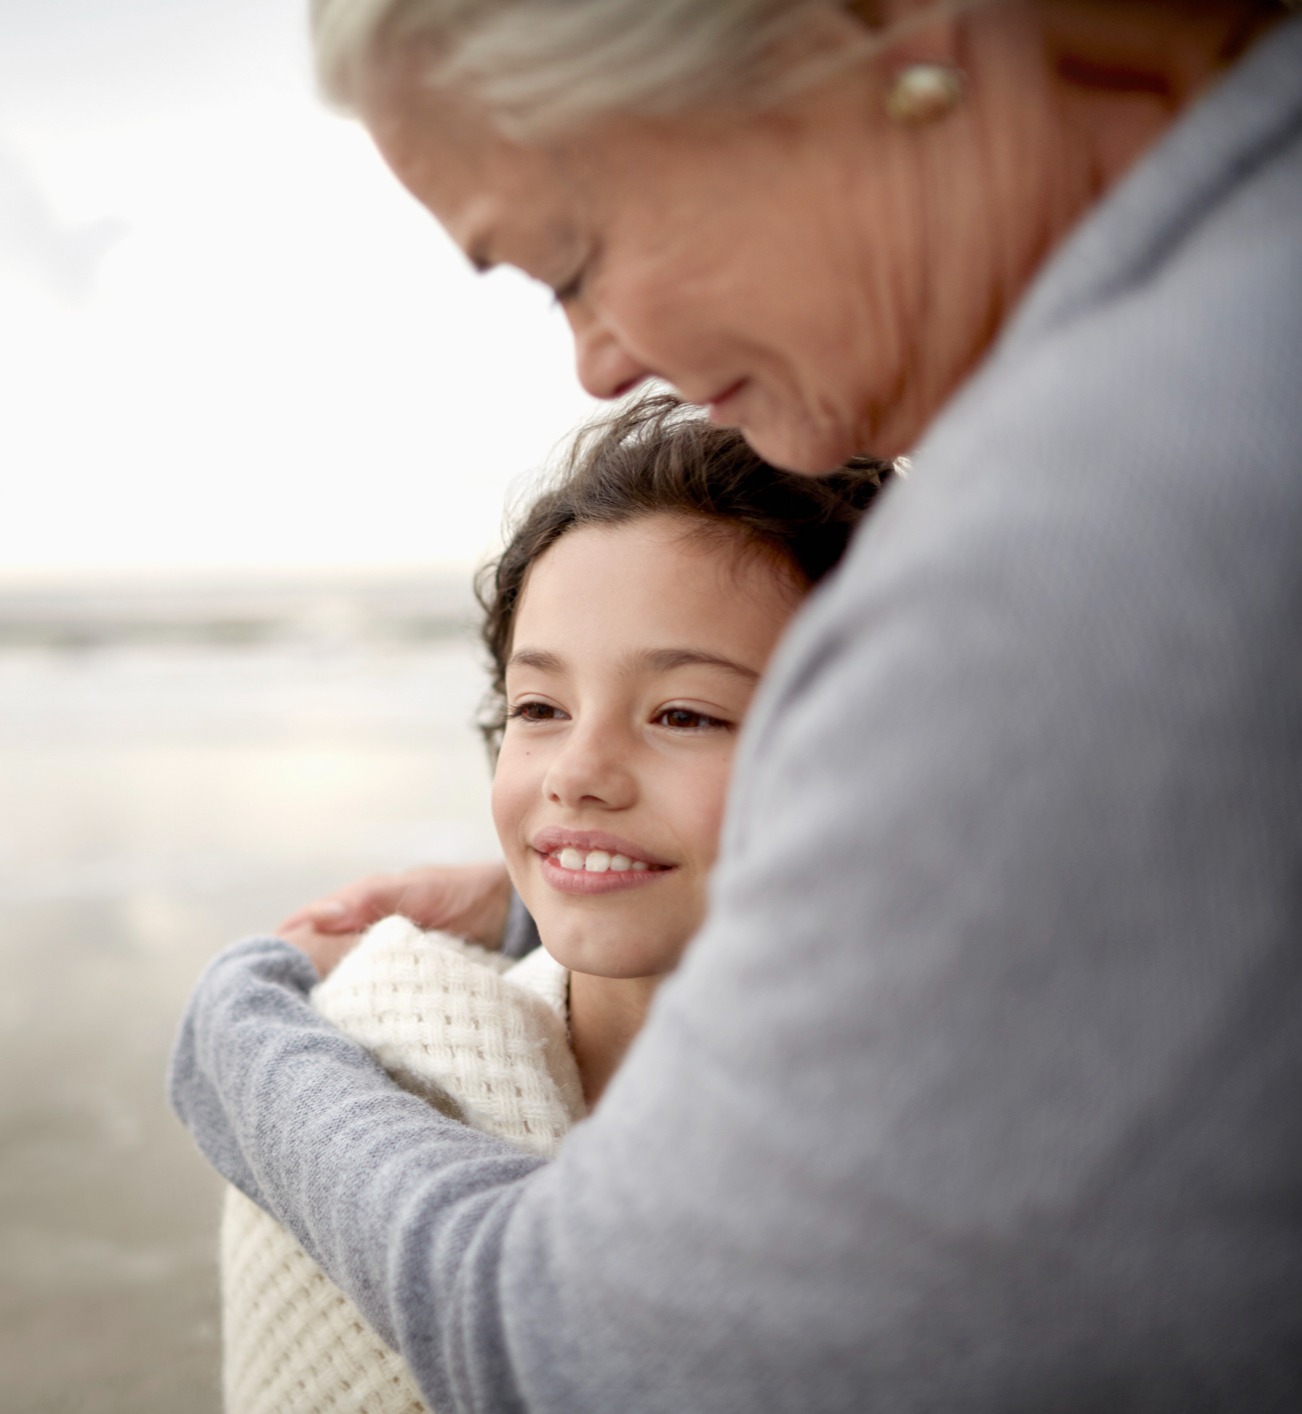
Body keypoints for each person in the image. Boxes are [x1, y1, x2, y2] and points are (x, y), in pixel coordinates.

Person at [171, 2, 1302, 1410]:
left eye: (573, 257)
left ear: (875, 28)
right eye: (533, 706)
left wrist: (241, 1033)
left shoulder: (1101, 532)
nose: (596, 357)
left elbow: (600, 1351)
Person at [220, 395, 891, 1413]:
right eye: (539, 707)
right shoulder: (386, 1053)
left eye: (684, 713)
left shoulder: (963, 1147)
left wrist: (232, 1010)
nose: (576, 773)